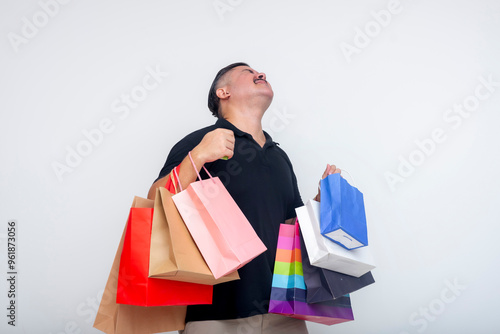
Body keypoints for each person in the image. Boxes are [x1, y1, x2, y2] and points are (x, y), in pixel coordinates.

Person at [148, 62, 340, 334]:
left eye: (260, 72)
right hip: (214, 315)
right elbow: (156, 202)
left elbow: (291, 232)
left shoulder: (278, 156)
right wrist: (199, 155)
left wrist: (320, 202)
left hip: (284, 313)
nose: (261, 74)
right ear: (223, 92)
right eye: (247, 72)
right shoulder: (201, 141)